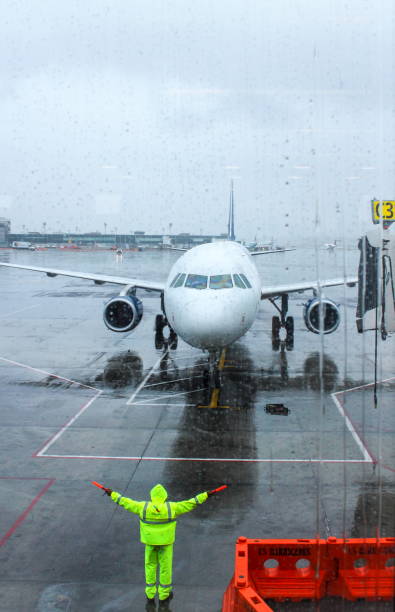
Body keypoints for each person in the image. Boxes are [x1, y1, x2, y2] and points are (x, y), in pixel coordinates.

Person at [103, 483, 219, 606]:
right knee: (165, 568)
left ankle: (150, 595)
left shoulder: (143, 507)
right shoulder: (172, 507)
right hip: (166, 544)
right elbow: (191, 503)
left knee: (150, 567)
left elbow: (125, 502)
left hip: (150, 543)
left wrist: (112, 494)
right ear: (164, 497)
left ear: (152, 496)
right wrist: (206, 495)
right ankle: (164, 596)